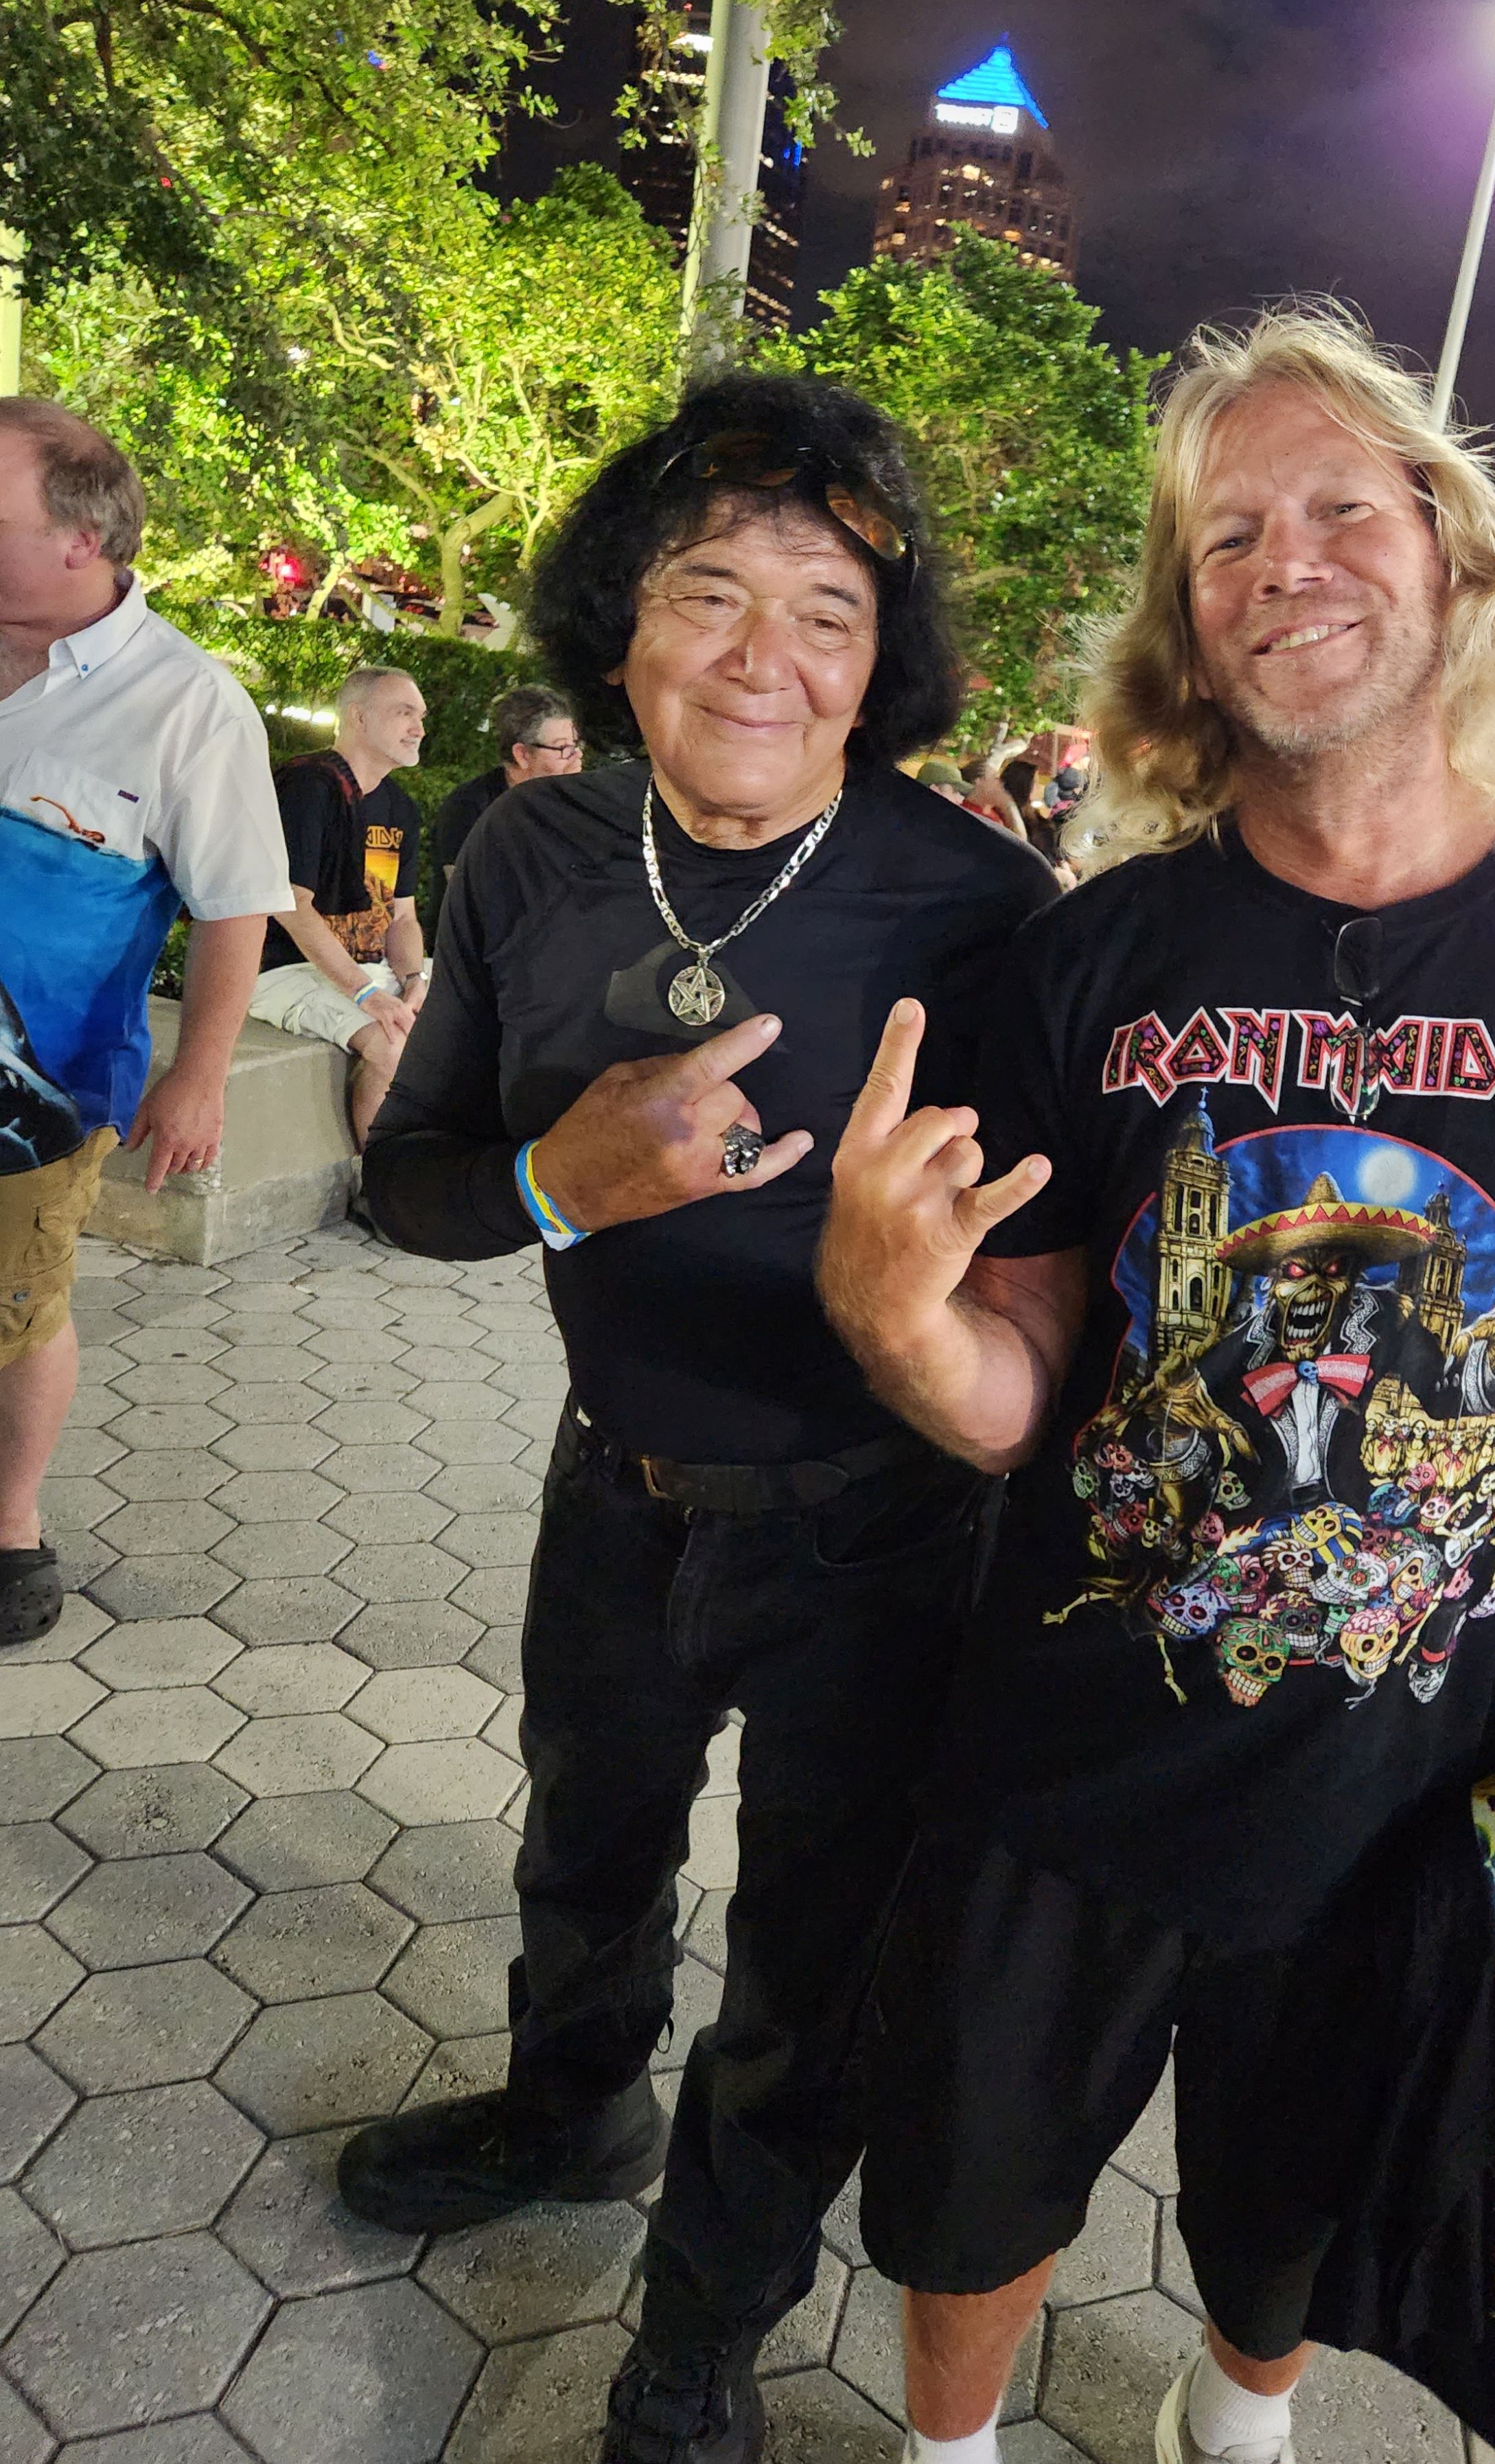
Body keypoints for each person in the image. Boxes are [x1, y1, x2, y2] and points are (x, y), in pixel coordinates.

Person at [815, 304, 1495, 2464]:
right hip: (1062, 1756)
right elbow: (1024, 1375)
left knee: (1296, 2208)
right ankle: (945, 2452)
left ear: (1452, 553)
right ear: (1185, 623)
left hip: (1408, 1788)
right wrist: (896, 1319)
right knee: (970, 2183)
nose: (1287, 562)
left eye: (1340, 508)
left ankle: (1236, 2425)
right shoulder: (1088, 958)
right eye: (1227, 535)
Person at [340, 373, 1056, 2464]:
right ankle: (569, 2110)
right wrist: (562, 1177)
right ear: (619, 625)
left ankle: (701, 2323)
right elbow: (410, 1184)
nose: (762, 654)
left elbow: (1041, 1287)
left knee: (808, 1960)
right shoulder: (529, 847)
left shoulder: (980, 908)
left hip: (879, 1526)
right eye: (708, 591)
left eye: (826, 610)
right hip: (616, 1487)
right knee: (584, 1847)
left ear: (880, 664)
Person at [0, 398, 290, 1645]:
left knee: (19, 1301)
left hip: (37, 1093)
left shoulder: (188, 704)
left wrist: (200, 1073)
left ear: (81, 537)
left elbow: (236, 906)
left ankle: (10, 1523)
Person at [246, 667, 429, 1144]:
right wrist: (365, 994)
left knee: (480, 1007)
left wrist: (414, 979)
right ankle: (380, 1179)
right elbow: (290, 905)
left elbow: (402, 917)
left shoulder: (401, 809)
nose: (418, 728)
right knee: (391, 1043)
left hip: (368, 968)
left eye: (421, 716)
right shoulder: (308, 786)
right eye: (404, 713)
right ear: (358, 717)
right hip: (286, 969)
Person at [433, 683, 584, 889]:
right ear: (522, 755)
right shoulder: (469, 807)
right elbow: (473, 895)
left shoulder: (575, 803)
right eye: (563, 747)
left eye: (576, 745)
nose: (576, 756)